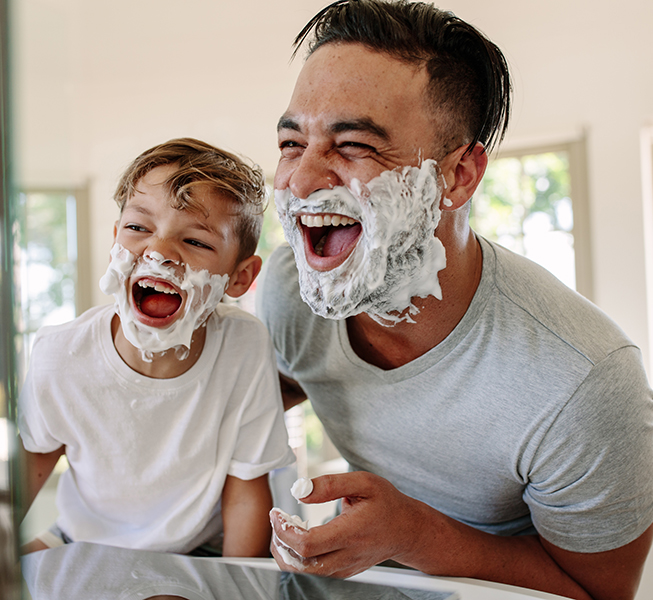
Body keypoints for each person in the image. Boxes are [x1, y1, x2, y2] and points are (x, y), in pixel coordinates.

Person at [256, 2, 653, 599]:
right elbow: (251, 397)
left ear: (459, 175)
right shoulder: (293, 290)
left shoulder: (584, 382)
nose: (300, 180)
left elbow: (600, 592)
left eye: (355, 145)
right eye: (292, 142)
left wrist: (413, 536)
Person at [18, 138, 295, 556]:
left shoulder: (243, 345)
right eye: (138, 228)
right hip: (82, 540)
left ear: (239, 278)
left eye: (196, 242)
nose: (160, 252)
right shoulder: (60, 356)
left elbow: (245, 493)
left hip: (197, 549)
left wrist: (239, 585)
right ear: (115, 241)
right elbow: (24, 477)